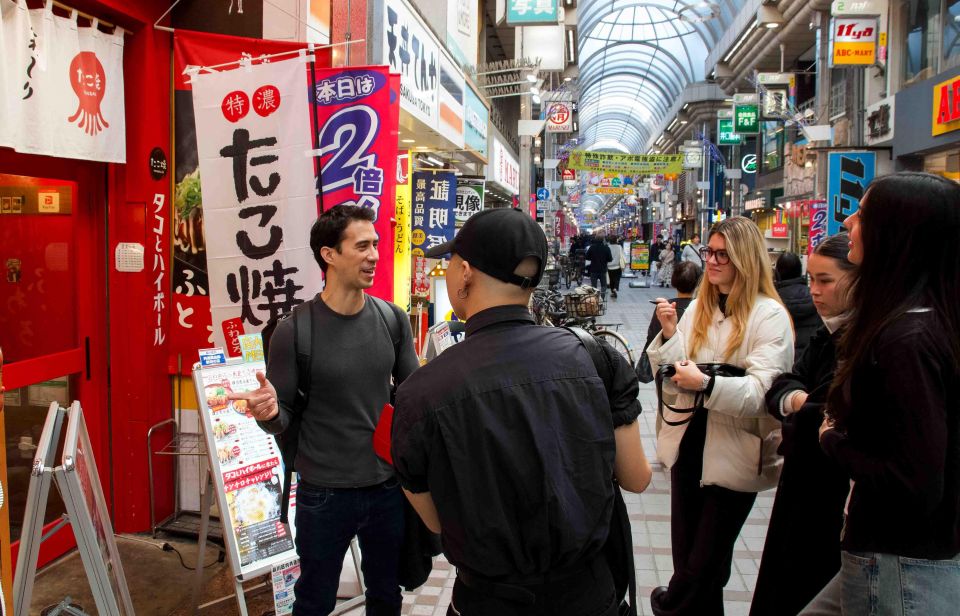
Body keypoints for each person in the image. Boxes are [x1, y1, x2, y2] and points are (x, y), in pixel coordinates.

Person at [391, 208, 653, 616]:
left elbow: (439, 524)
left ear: (465, 273)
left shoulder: (421, 392)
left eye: (451, 263)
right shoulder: (596, 358)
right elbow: (636, 478)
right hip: (588, 595)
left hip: (487, 601)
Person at [233, 205, 419, 616]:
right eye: (362, 245)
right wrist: (266, 412)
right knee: (314, 599)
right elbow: (279, 414)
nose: (374, 255)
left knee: (387, 595)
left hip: (386, 488)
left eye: (376, 245)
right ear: (329, 254)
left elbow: (413, 398)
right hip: (322, 494)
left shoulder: (392, 320)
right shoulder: (294, 329)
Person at [801, 172, 960, 615]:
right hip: (901, 553)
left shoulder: (905, 339)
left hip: (900, 562)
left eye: (864, 214)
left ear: (897, 233)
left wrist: (833, 438)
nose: (848, 220)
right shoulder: (926, 322)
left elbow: (915, 478)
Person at [646, 216, 794, 616]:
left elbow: (764, 394)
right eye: (709, 252)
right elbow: (678, 373)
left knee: (702, 564)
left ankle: (667, 605)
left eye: (722, 255)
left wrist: (708, 384)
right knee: (692, 561)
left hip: (736, 452)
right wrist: (670, 336)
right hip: (689, 443)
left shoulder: (769, 315)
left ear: (745, 259)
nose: (711, 262)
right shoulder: (700, 307)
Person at [750, 234, 856, 616]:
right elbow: (783, 385)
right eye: (811, 279)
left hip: (833, 495)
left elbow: (824, 407)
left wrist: (800, 404)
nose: (814, 290)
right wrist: (801, 402)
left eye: (824, 280)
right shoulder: (828, 334)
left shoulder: (864, 340)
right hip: (803, 485)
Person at [643, 261, 700, 351]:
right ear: (699, 282)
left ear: (674, 280)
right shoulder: (702, 308)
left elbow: (652, 338)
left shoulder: (664, 307)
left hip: (666, 360)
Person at [774, 252, 820, 356]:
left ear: (777, 273)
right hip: (810, 358)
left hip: (782, 360)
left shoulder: (772, 300)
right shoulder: (815, 296)